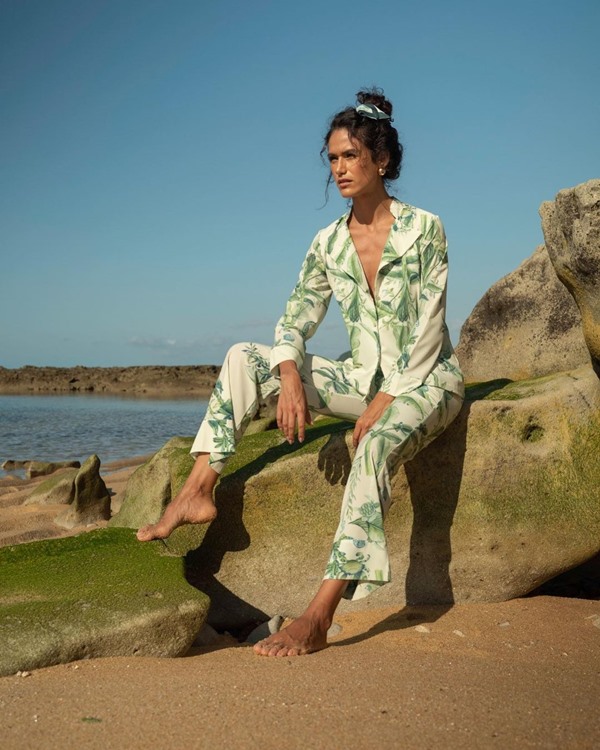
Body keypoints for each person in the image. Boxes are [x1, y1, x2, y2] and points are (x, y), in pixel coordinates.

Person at [137, 88, 464, 657]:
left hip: (426, 379)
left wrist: (382, 404)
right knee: (246, 355)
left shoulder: (425, 229)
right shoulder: (328, 243)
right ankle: (197, 489)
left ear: (380, 160)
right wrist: (288, 373)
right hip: (362, 377)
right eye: (332, 159)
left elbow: (428, 331)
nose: (338, 169)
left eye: (349, 157)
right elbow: (294, 317)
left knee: (373, 446)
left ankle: (318, 613)